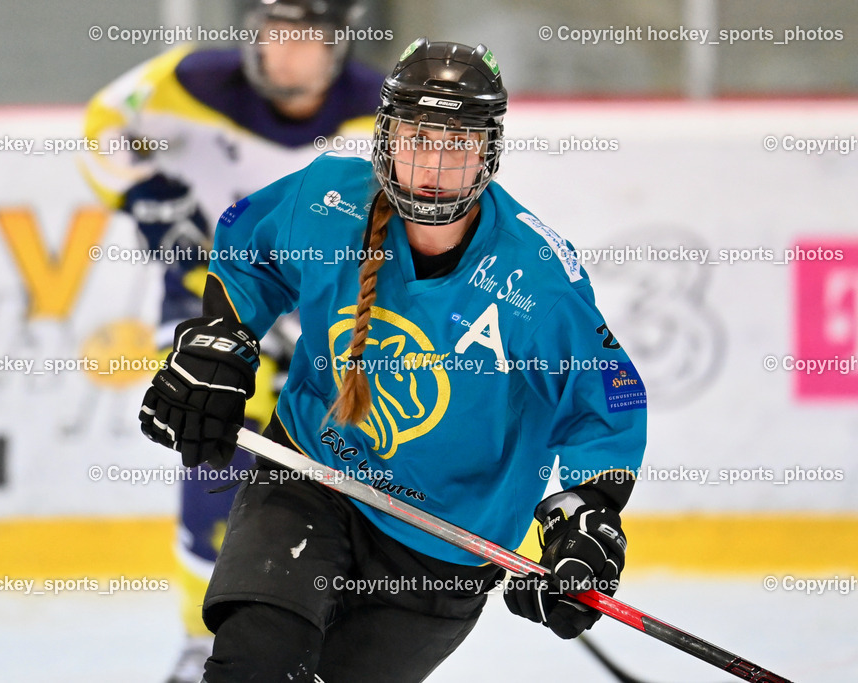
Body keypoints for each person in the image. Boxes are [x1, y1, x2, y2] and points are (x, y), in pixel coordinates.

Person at [139, 37, 648, 681]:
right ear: (385, 138)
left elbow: (607, 402)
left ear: (488, 152)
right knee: (255, 665)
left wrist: (586, 518)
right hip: (310, 474)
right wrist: (220, 341)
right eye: (417, 139)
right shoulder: (328, 200)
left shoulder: (536, 280)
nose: (433, 165)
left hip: (441, 547)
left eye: (457, 144)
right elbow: (250, 252)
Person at [81, 2, 383, 680]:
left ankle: (331, 627)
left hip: (330, 314)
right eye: (275, 34)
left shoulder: (377, 111)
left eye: (306, 38)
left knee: (345, 461)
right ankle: (201, 637)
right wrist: (143, 193)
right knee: (213, 441)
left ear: (338, 45)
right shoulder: (190, 82)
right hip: (210, 300)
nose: (287, 52)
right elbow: (102, 124)